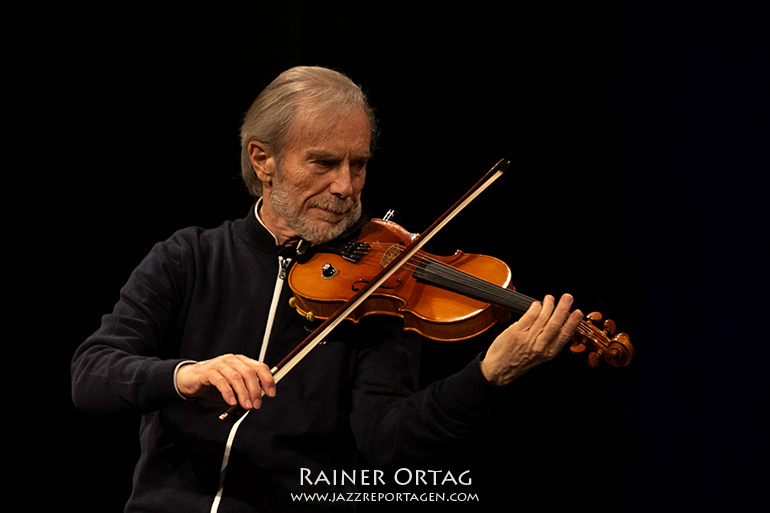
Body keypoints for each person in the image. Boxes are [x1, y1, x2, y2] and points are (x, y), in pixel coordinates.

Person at [71, 65, 583, 512]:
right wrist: (184, 375)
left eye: (358, 164)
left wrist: (486, 376)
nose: (346, 187)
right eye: (324, 163)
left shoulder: (382, 288)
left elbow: (388, 442)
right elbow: (93, 374)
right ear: (262, 160)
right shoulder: (190, 258)